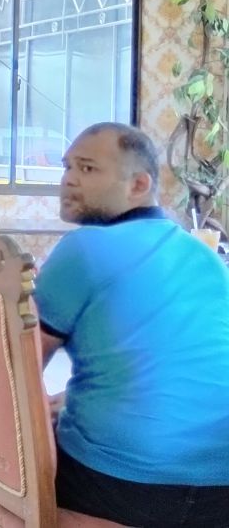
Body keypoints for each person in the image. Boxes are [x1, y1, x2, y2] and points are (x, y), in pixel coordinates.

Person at [35, 122, 229, 526]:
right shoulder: (205, 256)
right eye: (67, 167)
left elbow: (17, 370)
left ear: (139, 185)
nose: (69, 179)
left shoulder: (83, 248)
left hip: (125, 487)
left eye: (87, 168)